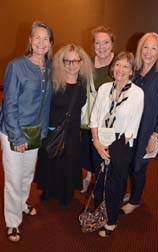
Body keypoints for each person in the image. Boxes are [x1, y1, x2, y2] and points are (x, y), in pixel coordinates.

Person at [0, 21, 54, 242]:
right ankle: (12, 221)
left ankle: (21, 203)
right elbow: (9, 104)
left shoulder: (50, 67)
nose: (41, 42)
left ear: (51, 43)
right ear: (30, 40)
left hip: (36, 132)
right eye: (36, 38)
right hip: (15, 132)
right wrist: (17, 136)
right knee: (13, 178)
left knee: (27, 175)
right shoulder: (16, 66)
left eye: (45, 39)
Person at [90, 52, 144, 237]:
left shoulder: (137, 93)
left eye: (126, 67)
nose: (121, 70)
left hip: (120, 143)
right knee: (99, 182)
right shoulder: (104, 88)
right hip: (99, 141)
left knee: (115, 183)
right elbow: (94, 117)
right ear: (113, 68)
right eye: (118, 65)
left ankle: (111, 220)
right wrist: (97, 143)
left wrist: (112, 148)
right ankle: (100, 214)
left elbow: (133, 126)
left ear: (131, 71)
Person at [35, 44, 93, 208]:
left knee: (69, 162)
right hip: (54, 131)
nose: (71, 65)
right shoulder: (53, 82)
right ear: (61, 62)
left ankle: (65, 195)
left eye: (75, 61)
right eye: (67, 61)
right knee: (51, 161)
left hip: (73, 132)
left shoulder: (84, 84)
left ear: (81, 62)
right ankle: (49, 191)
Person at [120, 32, 158, 215]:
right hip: (129, 130)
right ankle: (130, 192)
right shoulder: (134, 75)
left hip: (147, 132)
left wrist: (155, 136)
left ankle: (135, 200)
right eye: (145, 47)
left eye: (153, 48)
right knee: (128, 164)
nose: (148, 52)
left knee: (139, 167)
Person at [81, 26, 115, 193]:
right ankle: (88, 177)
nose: (102, 47)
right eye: (97, 43)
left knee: (106, 152)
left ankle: (103, 182)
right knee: (88, 146)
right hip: (90, 116)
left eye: (106, 42)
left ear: (112, 44)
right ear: (93, 45)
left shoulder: (119, 63)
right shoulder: (87, 63)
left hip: (110, 119)